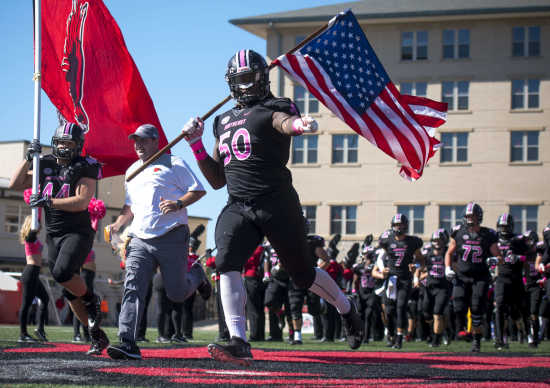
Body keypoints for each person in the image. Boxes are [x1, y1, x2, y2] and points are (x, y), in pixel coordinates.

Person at [182, 49, 363, 365]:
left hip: (276, 202)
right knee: (225, 260)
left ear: (262, 77)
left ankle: (346, 307)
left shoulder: (275, 106)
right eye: (238, 80)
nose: (244, 85)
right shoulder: (222, 120)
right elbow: (216, 180)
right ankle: (239, 340)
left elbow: (284, 122)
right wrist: (196, 144)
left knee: (303, 276)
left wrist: (300, 125)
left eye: (249, 77)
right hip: (239, 205)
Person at [105, 123, 211, 360]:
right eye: (135, 141)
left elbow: (198, 190)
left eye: (143, 140)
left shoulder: (173, 163)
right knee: (132, 287)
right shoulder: (132, 170)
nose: (137, 145)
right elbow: (129, 207)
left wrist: (178, 204)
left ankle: (197, 275)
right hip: (139, 238)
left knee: (176, 293)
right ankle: (127, 342)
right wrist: (118, 224)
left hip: (171, 235)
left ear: (156, 141)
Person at [9, 122, 108, 355]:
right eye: (60, 142)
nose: (63, 146)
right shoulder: (44, 163)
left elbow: (81, 201)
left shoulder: (85, 166)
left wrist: (48, 202)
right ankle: (96, 336)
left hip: (78, 232)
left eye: (68, 143)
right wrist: (27, 158)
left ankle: (93, 299)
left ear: (78, 145)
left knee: (61, 273)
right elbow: (14, 184)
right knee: (69, 291)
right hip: (53, 234)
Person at [444, 202, 500, 352]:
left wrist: (494, 262)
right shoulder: (458, 232)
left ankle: (476, 341)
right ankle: (461, 330)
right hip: (462, 276)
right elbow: (449, 253)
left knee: (476, 308)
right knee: (458, 305)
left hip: (480, 276)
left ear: (479, 217)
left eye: (472, 216)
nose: (470, 219)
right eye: (468, 216)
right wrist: (448, 268)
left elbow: (498, 256)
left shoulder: (488, 234)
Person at [377, 214, 424, 349]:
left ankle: (399, 338)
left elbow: (421, 259)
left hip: (405, 279)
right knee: (390, 311)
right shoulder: (387, 240)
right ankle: (391, 333)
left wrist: (417, 267)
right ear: (393, 226)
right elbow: (380, 258)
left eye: (401, 225)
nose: (399, 227)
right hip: (391, 279)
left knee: (401, 307)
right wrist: (382, 269)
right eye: (397, 225)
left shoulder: (412, 242)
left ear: (406, 226)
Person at [17, 213, 50, 343]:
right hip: (30, 273)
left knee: (45, 299)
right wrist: (37, 212)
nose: (40, 226)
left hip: (34, 274)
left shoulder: (34, 238)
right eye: (37, 223)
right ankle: (23, 334)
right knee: (26, 304)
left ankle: (40, 329)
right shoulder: (30, 237)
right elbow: (33, 229)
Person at [422, 229, 451, 347]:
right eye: (435, 240)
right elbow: (420, 267)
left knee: (437, 313)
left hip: (443, 287)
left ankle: (436, 340)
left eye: (439, 240)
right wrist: (416, 277)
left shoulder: (448, 253)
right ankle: (439, 331)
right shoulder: (427, 253)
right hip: (429, 286)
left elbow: (455, 266)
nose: (437, 242)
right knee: (426, 314)